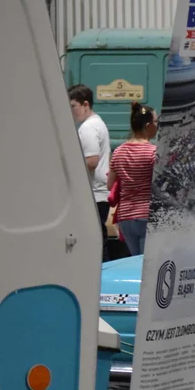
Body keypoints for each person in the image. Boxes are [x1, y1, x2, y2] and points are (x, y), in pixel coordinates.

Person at [107, 102, 159, 255]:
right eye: (156, 122)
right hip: (146, 214)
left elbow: (110, 185)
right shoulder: (153, 153)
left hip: (126, 218)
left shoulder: (118, 151)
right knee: (146, 265)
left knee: (135, 262)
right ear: (149, 126)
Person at [69, 84, 112, 261]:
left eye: (73, 106)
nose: (71, 111)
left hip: (94, 194)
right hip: (99, 194)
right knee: (99, 240)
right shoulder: (97, 123)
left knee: (95, 244)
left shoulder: (87, 128)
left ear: (85, 104)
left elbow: (91, 161)